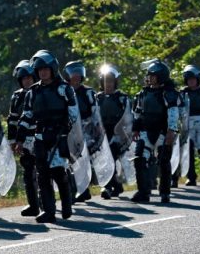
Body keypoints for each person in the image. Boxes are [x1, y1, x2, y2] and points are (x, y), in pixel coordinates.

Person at [14, 50, 77, 223]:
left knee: (58, 172)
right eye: (39, 69)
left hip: (60, 136)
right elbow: (26, 117)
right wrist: (19, 139)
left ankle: (67, 203)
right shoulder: (32, 92)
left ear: (52, 69)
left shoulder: (65, 88)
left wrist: (65, 129)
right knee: (42, 174)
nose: (42, 72)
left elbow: (73, 113)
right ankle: (49, 211)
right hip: (40, 137)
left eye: (46, 69)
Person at [130, 60, 180, 203]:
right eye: (149, 75)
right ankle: (143, 192)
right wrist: (135, 128)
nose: (149, 78)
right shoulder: (143, 93)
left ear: (161, 76)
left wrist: (171, 131)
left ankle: (165, 192)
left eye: (153, 75)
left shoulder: (169, 93)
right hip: (145, 131)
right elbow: (138, 113)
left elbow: (173, 112)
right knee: (139, 159)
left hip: (163, 132)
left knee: (164, 161)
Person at [8, 60, 39, 216]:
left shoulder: (40, 92)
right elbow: (12, 119)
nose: (27, 80)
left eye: (30, 77)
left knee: (47, 171)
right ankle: (33, 205)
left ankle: (51, 201)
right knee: (28, 171)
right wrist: (12, 141)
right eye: (24, 78)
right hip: (24, 139)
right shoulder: (16, 96)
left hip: (41, 137)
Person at [64, 61, 97, 203]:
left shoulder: (88, 92)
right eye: (73, 74)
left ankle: (83, 190)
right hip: (67, 130)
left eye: (78, 75)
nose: (76, 78)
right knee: (69, 161)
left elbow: (95, 113)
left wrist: (95, 130)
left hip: (86, 130)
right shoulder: (63, 90)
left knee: (82, 161)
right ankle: (73, 191)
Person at [96, 64, 129, 199]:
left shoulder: (121, 97)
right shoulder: (97, 98)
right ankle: (116, 185)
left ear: (115, 82)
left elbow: (129, 116)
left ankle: (107, 186)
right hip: (102, 133)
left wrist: (125, 135)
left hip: (118, 134)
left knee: (110, 158)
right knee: (103, 159)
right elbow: (93, 116)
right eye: (105, 81)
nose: (108, 84)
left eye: (110, 81)